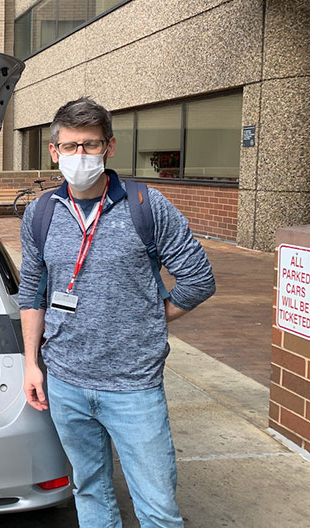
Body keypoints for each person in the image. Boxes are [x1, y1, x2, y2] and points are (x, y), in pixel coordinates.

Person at [18, 97, 215, 527]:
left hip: (133, 386)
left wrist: (149, 317)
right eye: (70, 147)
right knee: (91, 492)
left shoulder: (147, 205)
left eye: (90, 145)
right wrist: (32, 364)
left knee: (158, 508)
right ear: (54, 151)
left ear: (109, 146)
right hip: (66, 381)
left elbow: (199, 278)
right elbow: (32, 293)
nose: (80, 156)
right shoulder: (40, 214)